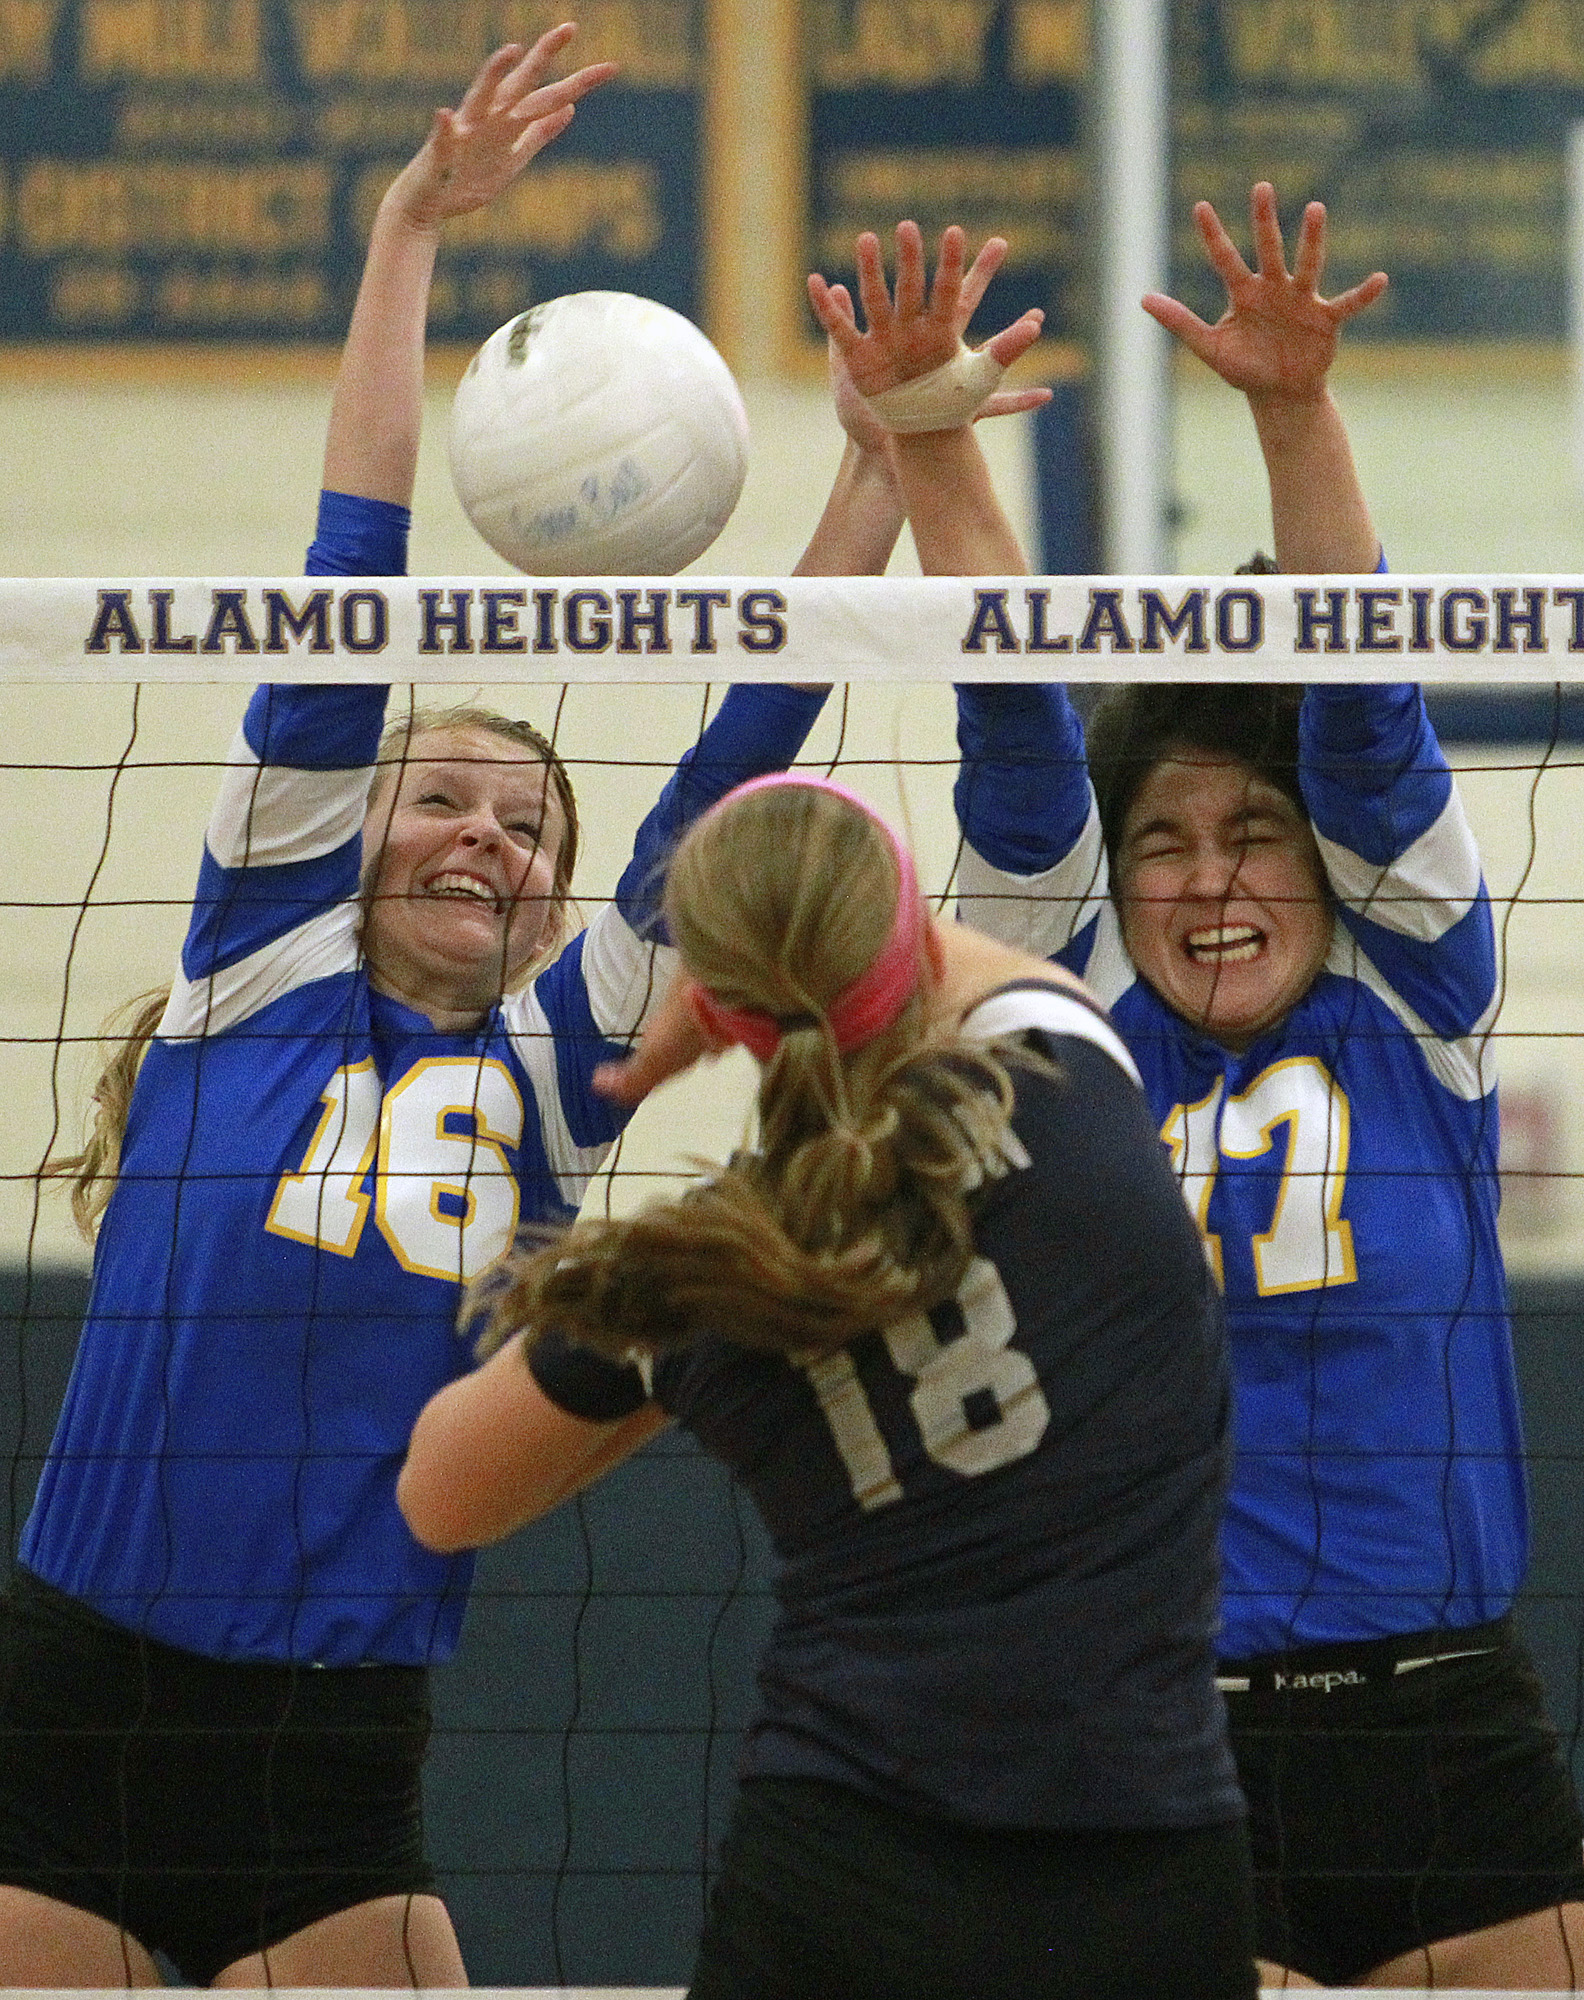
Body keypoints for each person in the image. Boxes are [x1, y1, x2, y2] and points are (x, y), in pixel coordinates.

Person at [0, 30, 981, 1987]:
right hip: (75, 1716)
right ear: (343, 832)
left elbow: (738, 766)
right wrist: (402, 231)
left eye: (526, 824)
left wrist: (872, 475)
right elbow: (350, 569)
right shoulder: (257, 967)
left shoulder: (557, 1067)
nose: (481, 837)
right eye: (438, 796)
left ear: (559, 901)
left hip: (340, 1732)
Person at [942, 183, 1584, 1989]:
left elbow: (1364, 708)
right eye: (1162, 842)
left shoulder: (1409, 988)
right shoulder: (1063, 1018)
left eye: (1251, 834)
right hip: (1148, 1741)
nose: (1208, 878)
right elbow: (1008, 737)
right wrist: (930, 458)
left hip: (1437, 1723)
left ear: (1327, 863)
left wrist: (1291, 412)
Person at [397, 767, 1259, 2000]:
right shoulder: (1073, 1070)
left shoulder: (710, 1268)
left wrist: (671, 1355)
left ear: (728, 1008)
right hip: (1145, 1866)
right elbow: (929, 953)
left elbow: (439, 1497)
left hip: (850, 1863)